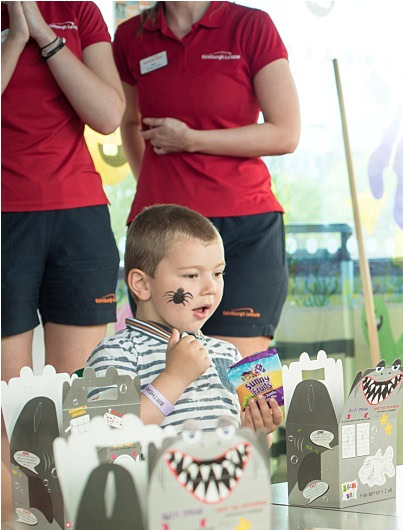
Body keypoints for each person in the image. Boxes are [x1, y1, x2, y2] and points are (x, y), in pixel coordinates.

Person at [112, 1, 300, 360]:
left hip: (244, 227)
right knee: (160, 365)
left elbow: (286, 133)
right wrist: (155, 195)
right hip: (162, 234)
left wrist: (192, 140)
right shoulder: (130, 35)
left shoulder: (251, 25)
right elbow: (129, 122)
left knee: (242, 379)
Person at [85, 204, 282, 440]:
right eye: (191, 275)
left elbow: (246, 447)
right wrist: (174, 378)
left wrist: (256, 430)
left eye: (218, 273)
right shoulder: (116, 353)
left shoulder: (228, 355)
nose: (211, 288)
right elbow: (108, 434)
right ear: (142, 284)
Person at [1, 0, 124, 378]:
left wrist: (43, 35)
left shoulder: (79, 10)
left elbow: (107, 116)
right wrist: (17, 37)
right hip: (6, 214)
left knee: (78, 398)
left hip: (79, 214)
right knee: (8, 404)